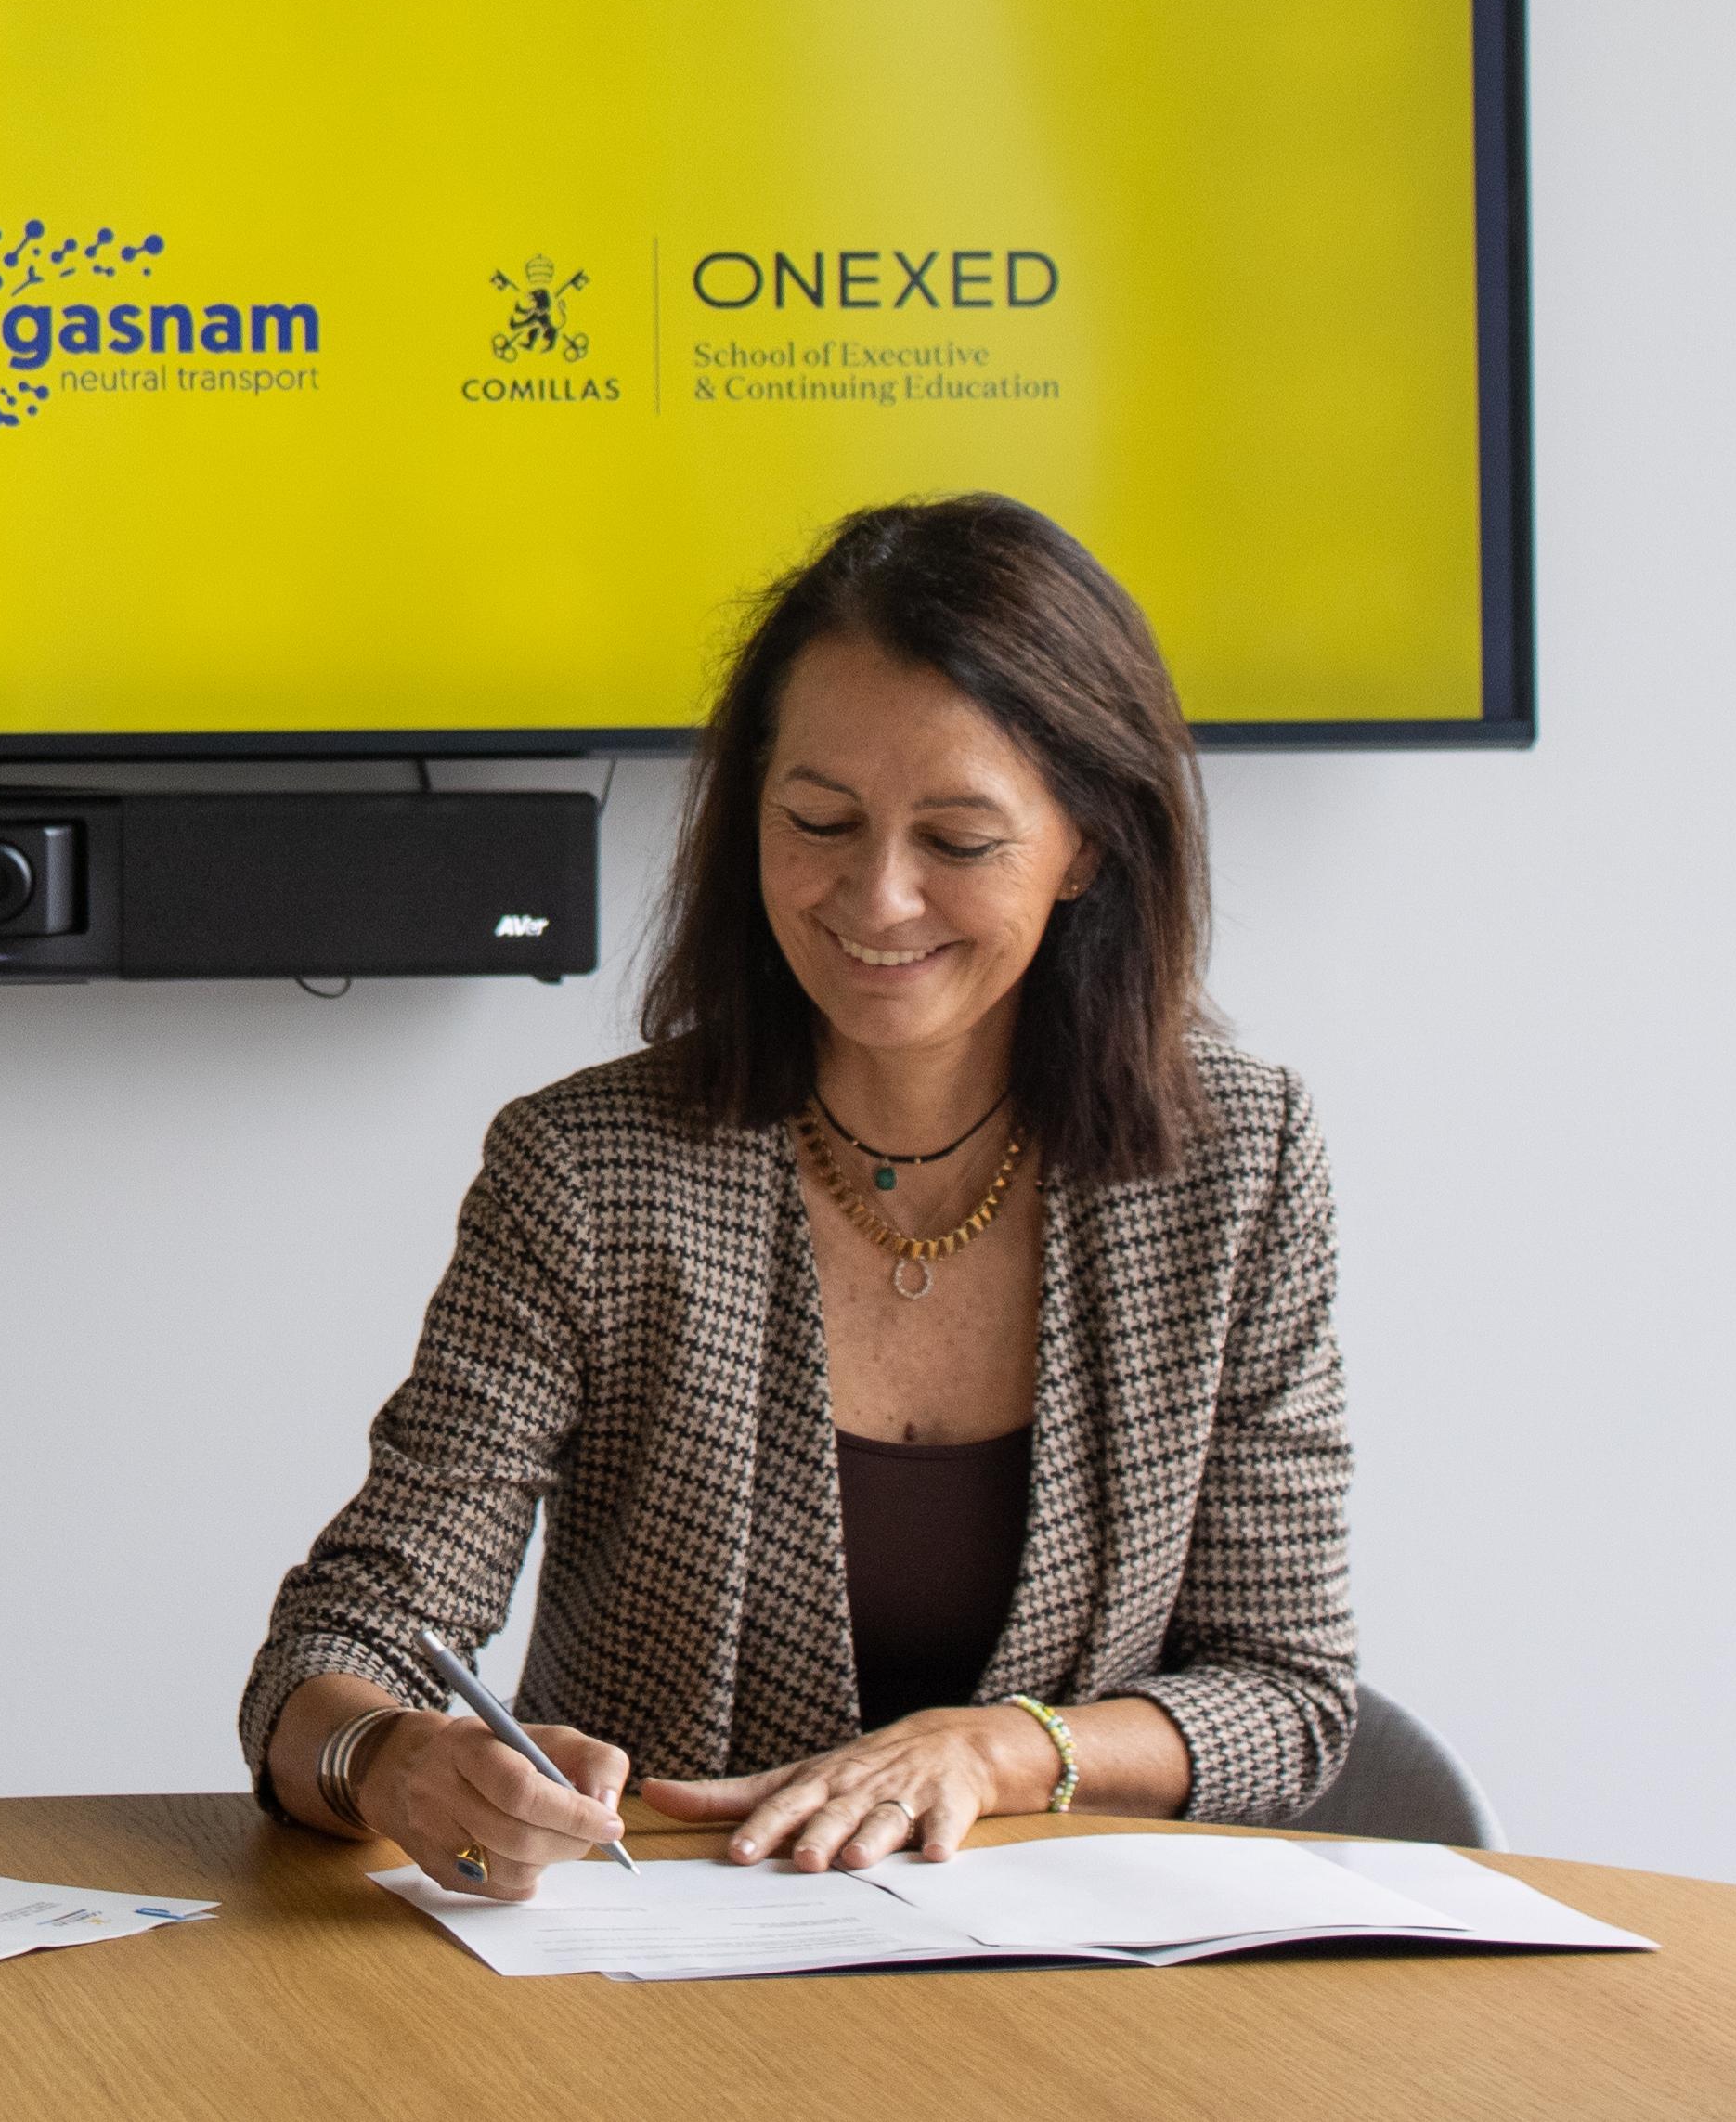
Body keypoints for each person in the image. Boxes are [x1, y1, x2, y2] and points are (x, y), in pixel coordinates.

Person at [239, 495, 1351, 1893]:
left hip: (1076, 1978)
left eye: (959, 841)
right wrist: (394, 1756)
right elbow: (341, 1643)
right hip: (671, 1963)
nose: (877, 899)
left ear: (1088, 843)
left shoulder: (1236, 1160)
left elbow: (1287, 1692)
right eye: (819, 820)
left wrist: (997, 1752)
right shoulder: (588, 1171)